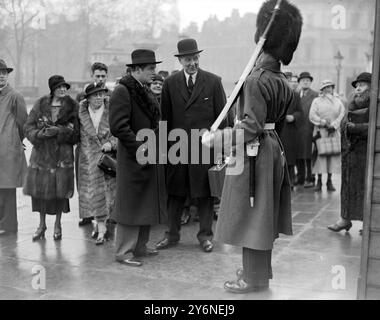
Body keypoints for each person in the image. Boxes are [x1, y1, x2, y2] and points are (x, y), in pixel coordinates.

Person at [202, 0, 302, 293]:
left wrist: (215, 139)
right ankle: (258, 273)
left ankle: (250, 278)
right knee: (263, 216)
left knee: (251, 216)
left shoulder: (256, 80)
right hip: (272, 149)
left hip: (254, 152)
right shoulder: (281, 80)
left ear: (262, 40)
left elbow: (250, 127)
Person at [155, 38, 228, 253]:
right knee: (175, 194)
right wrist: (164, 150)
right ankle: (172, 235)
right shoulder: (169, 84)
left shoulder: (214, 82)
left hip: (204, 149)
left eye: (195, 58)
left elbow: (222, 118)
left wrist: (220, 146)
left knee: (205, 194)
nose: (192, 63)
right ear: (180, 61)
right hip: (177, 149)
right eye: (188, 60)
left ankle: (205, 236)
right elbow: (165, 119)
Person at [109, 49, 163, 267]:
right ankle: (123, 251)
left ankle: (140, 246)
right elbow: (118, 127)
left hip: (147, 155)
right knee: (130, 204)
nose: (154, 72)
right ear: (137, 69)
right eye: (150, 68)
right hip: (133, 157)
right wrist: (140, 148)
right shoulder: (123, 91)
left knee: (145, 202)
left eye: (154, 68)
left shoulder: (142, 90)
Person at [23, 75, 79, 241]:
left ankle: (58, 224)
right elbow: (28, 126)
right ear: (52, 89)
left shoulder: (72, 106)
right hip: (42, 157)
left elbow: (76, 133)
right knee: (40, 193)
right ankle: (41, 225)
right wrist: (39, 134)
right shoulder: (40, 104)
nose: (63, 90)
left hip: (63, 156)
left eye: (65, 87)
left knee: (60, 193)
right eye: (59, 87)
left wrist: (59, 131)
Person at [328, 72, 371, 233]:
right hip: (350, 153)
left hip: (364, 153)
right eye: (357, 85)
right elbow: (344, 121)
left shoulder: (374, 103)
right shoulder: (352, 103)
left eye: (362, 85)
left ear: (371, 87)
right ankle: (345, 219)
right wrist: (345, 126)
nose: (358, 88)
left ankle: (366, 222)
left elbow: (374, 126)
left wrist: (357, 128)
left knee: (363, 188)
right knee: (347, 187)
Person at [77, 83, 117, 245]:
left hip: (107, 160)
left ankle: (105, 227)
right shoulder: (81, 113)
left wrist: (111, 144)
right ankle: (100, 227)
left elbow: (120, 132)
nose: (99, 98)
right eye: (95, 95)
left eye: (101, 94)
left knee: (109, 197)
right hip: (88, 161)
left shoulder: (111, 111)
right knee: (92, 197)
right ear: (88, 98)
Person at [77, 62, 112, 227]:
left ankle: (106, 216)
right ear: (92, 76)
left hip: (106, 148)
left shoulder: (111, 97)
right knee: (86, 182)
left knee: (107, 185)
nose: (100, 79)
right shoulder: (81, 99)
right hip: (86, 148)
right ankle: (86, 214)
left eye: (103, 76)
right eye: (97, 76)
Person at [0, 59, 28, 235]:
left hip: (8, 150)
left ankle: (8, 225)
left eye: (3, 73)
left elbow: (23, 122)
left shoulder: (15, 96)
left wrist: (15, 141)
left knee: (8, 189)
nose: (1, 76)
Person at [309, 80, 345, 192]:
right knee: (320, 156)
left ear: (332, 88)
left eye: (329, 87)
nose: (327, 89)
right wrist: (322, 121)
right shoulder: (317, 101)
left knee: (332, 156)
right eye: (325, 88)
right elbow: (312, 114)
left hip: (333, 132)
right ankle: (319, 181)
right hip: (321, 132)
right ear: (322, 90)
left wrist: (334, 125)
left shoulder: (338, 101)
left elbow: (342, 114)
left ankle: (329, 181)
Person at [280, 72, 303, 189]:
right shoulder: (278, 93)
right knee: (280, 156)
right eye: (289, 80)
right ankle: (281, 181)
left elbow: (300, 112)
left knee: (290, 157)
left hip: (290, 130)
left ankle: (291, 181)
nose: (290, 83)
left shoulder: (296, 95)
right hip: (279, 129)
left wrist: (293, 117)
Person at [296, 71, 319, 188]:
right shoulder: (296, 94)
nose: (306, 82)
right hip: (297, 129)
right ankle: (300, 178)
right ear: (299, 82)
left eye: (308, 80)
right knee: (299, 154)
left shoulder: (315, 95)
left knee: (310, 155)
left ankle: (310, 178)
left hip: (310, 128)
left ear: (310, 82)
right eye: (303, 80)